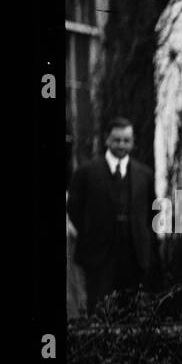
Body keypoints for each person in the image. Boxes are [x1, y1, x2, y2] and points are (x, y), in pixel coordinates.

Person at [66, 117, 158, 314]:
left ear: (132, 142)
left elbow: (152, 211)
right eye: (117, 140)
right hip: (98, 255)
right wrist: (91, 232)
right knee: (100, 309)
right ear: (107, 140)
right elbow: (74, 209)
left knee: (131, 312)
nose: (121, 145)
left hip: (133, 255)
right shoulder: (87, 172)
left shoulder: (145, 174)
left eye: (126, 140)